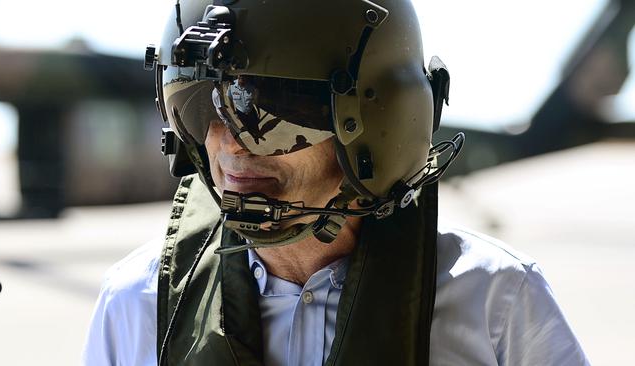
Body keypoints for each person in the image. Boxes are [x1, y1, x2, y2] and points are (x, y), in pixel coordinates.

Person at [83, 0, 590, 365]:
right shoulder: (138, 303)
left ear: (378, 125)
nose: (230, 145)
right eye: (197, 105)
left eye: (269, 115)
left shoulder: (495, 303)